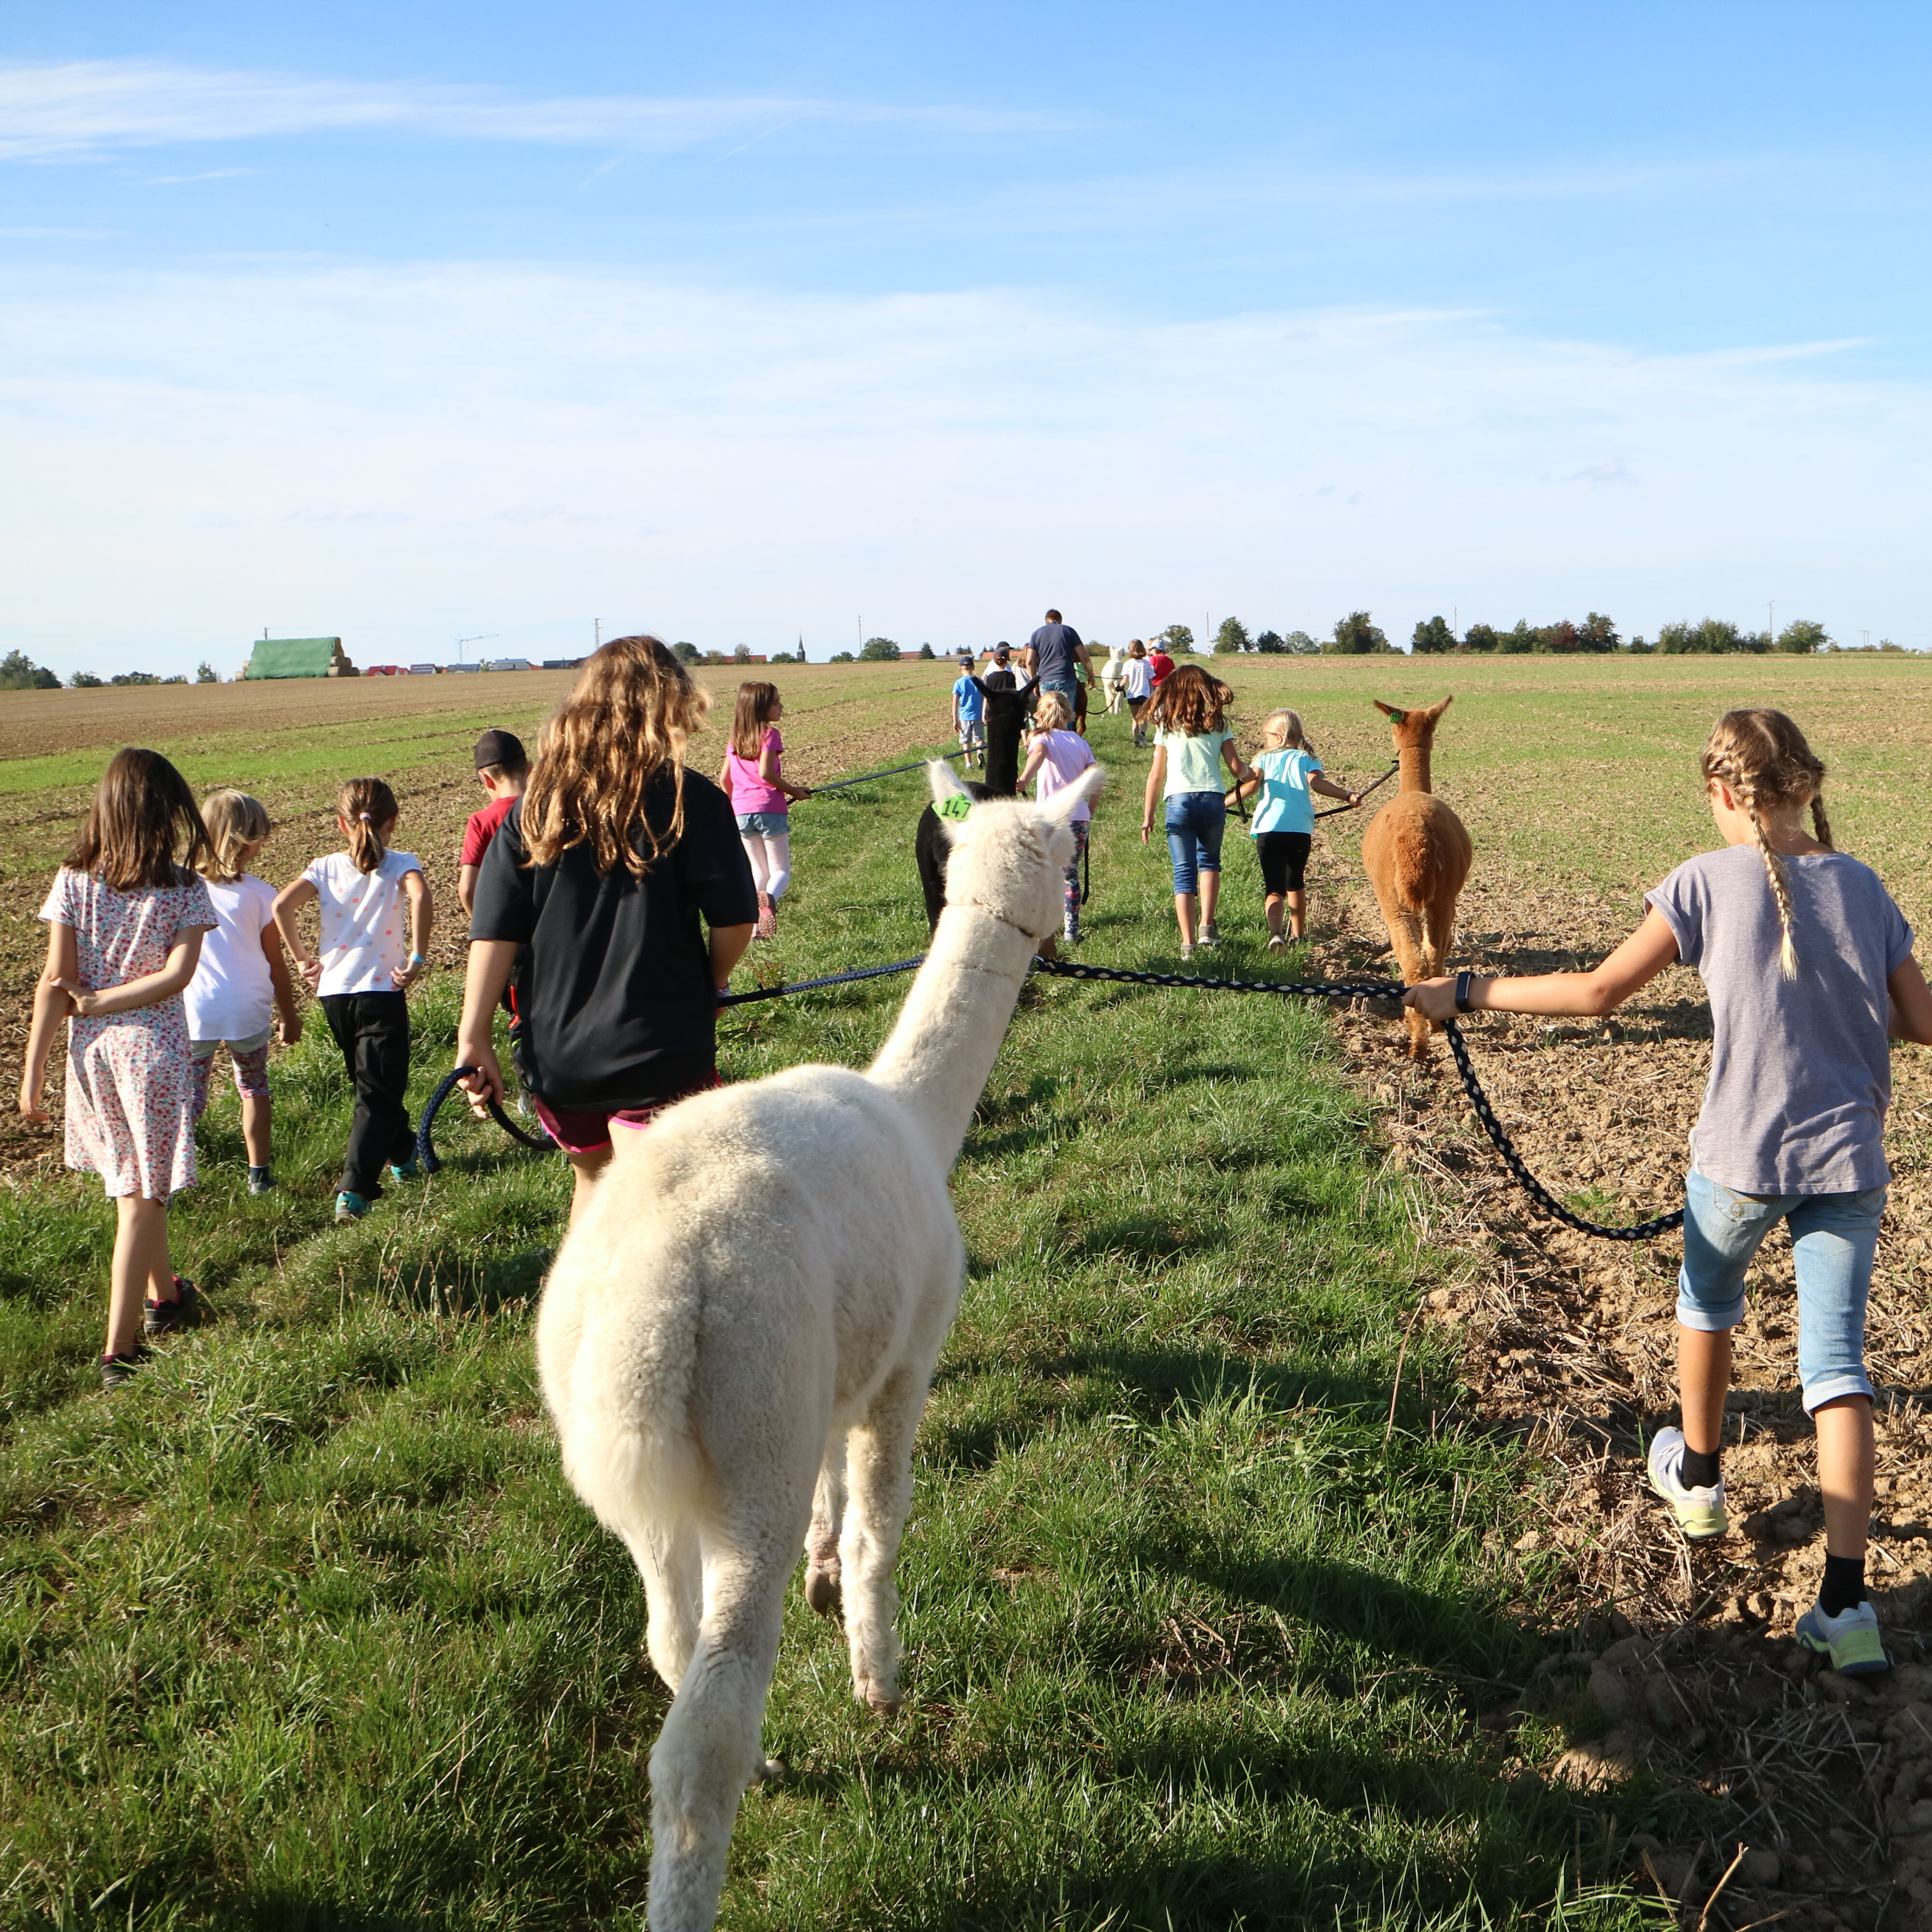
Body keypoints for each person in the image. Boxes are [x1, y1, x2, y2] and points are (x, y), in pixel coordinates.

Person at [1408, 709, 1932, 1678]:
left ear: (1722, 795)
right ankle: (1847, 1605)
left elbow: (1599, 992)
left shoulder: (1701, 879)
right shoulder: (1859, 884)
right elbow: (1921, 1022)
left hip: (1734, 1159)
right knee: (1835, 1371)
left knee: (1706, 1304)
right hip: (1847, 1164)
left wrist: (1467, 990)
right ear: (1806, 787)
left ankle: (1695, 1478)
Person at [456, 636, 757, 1223]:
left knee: (594, 1186)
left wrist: (474, 1038)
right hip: (662, 1048)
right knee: (663, 1212)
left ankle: (579, 1316)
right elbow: (736, 920)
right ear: (670, 705)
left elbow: (493, 933)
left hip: (558, 1058)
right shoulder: (690, 798)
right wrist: (710, 984)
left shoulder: (528, 810)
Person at [18, 748, 217, 1387]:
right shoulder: (185, 889)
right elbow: (177, 976)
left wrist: (32, 1074)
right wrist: (106, 1001)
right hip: (153, 1056)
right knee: (140, 1198)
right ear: (165, 814)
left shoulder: (72, 878)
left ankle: (166, 1296)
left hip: (92, 1058)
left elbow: (56, 981)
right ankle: (119, 1351)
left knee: (135, 1190)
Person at [273, 777, 432, 1225]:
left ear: (343, 825)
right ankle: (354, 1189)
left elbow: (281, 906)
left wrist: (304, 959)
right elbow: (421, 896)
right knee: (376, 1093)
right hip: (382, 992)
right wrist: (417, 956)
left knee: (373, 1088)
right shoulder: (402, 863)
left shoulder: (323, 867)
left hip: (336, 997)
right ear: (393, 822)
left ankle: (402, 1153)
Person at [186, 790, 302, 1193]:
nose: (263, 846)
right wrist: (289, 1013)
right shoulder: (262, 894)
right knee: (253, 1087)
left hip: (194, 1009)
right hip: (247, 1008)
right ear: (243, 841)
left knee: (190, 1096)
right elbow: (276, 964)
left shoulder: (181, 886)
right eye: (260, 838)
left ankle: (176, 1173)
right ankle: (260, 1176)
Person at [1140, 664, 1251, 958]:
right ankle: (1207, 930)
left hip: (1178, 803)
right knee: (1210, 863)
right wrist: (1257, 774)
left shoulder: (1167, 726)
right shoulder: (1218, 724)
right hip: (1213, 801)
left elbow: (1156, 775)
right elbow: (1238, 769)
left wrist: (1148, 816)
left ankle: (1187, 945)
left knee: (1183, 873)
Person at [1224, 710, 1360, 949]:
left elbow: (1250, 788)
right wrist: (1347, 795)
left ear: (1278, 737)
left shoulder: (1264, 758)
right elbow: (1317, 784)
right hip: (1299, 831)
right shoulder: (1307, 759)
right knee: (1295, 882)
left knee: (1274, 887)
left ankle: (1276, 934)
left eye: (1267, 735)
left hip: (1269, 830)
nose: (1265, 740)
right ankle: (1299, 935)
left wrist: (1220, 804)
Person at [718, 680, 811, 938]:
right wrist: (794, 791)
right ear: (760, 708)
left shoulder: (735, 739)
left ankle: (756, 929)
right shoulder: (769, 734)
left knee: (758, 871)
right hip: (769, 809)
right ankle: (769, 901)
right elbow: (766, 773)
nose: (782, 706)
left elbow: (725, 780)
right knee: (780, 871)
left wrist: (735, 806)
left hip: (741, 813)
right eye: (776, 702)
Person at [1018, 691, 1099, 946]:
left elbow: (1038, 754)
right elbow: (1096, 780)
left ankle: (1040, 925)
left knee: (1043, 871)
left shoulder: (1042, 737)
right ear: (1069, 714)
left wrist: (1023, 780)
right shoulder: (1079, 741)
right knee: (1069, 874)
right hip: (1078, 817)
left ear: (1041, 714)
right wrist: (1089, 811)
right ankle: (1070, 931)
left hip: (1050, 818)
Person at [458, 729, 529, 918]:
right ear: (529, 769)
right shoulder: (550, 810)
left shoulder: (481, 823)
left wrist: (485, 928)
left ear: (486, 780)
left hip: (507, 926)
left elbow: (467, 889)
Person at [972, 657, 1032, 796]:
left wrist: (985, 710)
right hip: (1009, 710)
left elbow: (988, 695)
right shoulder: (1010, 675)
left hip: (998, 712)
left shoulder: (991, 677)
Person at [1025, 609, 1092, 732]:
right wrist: (1091, 676)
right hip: (1066, 679)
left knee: (1047, 717)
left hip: (1045, 681)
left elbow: (1029, 662)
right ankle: (1069, 746)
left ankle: (1049, 746)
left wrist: (1034, 682)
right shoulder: (1069, 631)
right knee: (1068, 717)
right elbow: (1084, 657)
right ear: (1060, 620)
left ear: (1046, 621)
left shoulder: (1036, 634)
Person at [951, 654, 986, 769]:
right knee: (979, 738)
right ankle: (980, 752)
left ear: (960, 668)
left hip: (964, 716)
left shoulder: (958, 683)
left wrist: (955, 720)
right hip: (978, 715)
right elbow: (986, 697)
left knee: (966, 740)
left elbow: (955, 702)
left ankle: (969, 764)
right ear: (973, 668)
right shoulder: (979, 682)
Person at [1121, 640, 1155, 748]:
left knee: (1135, 718)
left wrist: (1120, 687)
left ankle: (1136, 741)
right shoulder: (1146, 664)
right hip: (1144, 694)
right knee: (1143, 718)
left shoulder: (1128, 664)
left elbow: (1125, 680)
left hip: (1132, 695)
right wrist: (1152, 691)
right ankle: (1142, 734)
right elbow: (1150, 680)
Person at [1102, 645, 1129, 716]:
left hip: (1108, 679)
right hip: (1119, 679)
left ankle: (1112, 710)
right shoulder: (1121, 664)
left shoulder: (1109, 663)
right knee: (1119, 691)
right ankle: (1117, 710)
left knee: (1108, 690)